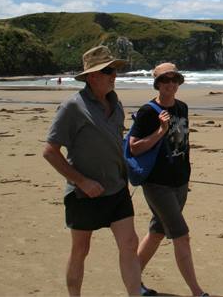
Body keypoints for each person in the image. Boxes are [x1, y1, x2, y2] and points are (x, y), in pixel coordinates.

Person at [43, 45, 142, 296]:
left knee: (130, 244)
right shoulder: (73, 107)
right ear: (91, 76)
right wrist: (82, 181)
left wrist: (127, 168)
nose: (114, 76)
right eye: (108, 71)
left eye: (115, 70)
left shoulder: (116, 104)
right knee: (80, 250)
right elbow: (50, 152)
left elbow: (114, 143)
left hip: (117, 189)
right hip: (83, 195)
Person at [129, 63, 207, 297]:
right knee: (181, 235)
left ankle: (133, 280)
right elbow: (134, 148)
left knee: (157, 232)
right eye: (165, 80)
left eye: (174, 80)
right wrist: (160, 131)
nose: (171, 84)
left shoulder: (182, 107)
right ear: (157, 84)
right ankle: (197, 292)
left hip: (180, 182)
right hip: (157, 184)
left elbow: (182, 144)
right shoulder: (147, 112)